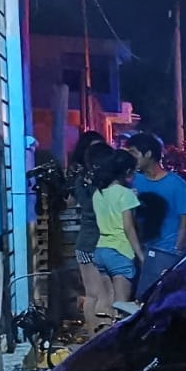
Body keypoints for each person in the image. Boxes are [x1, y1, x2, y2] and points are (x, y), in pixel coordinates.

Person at [125, 132, 186, 294]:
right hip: (138, 250)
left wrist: (176, 249)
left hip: (165, 253)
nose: (130, 159)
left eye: (133, 153)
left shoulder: (176, 184)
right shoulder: (132, 181)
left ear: (148, 154)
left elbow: (184, 218)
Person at [65, 132, 111, 334]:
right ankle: (102, 338)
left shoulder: (81, 180)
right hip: (96, 244)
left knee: (92, 295)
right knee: (104, 295)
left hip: (84, 243)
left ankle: (93, 338)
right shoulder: (100, 186)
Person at [91, 149, 144, 315]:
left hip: (101, 250)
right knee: (123, 308)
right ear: (127, 171)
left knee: (107, 306)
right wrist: (141, 255)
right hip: (120, 252)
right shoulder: (125, 194)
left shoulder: (98, 194)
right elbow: (129, 228)